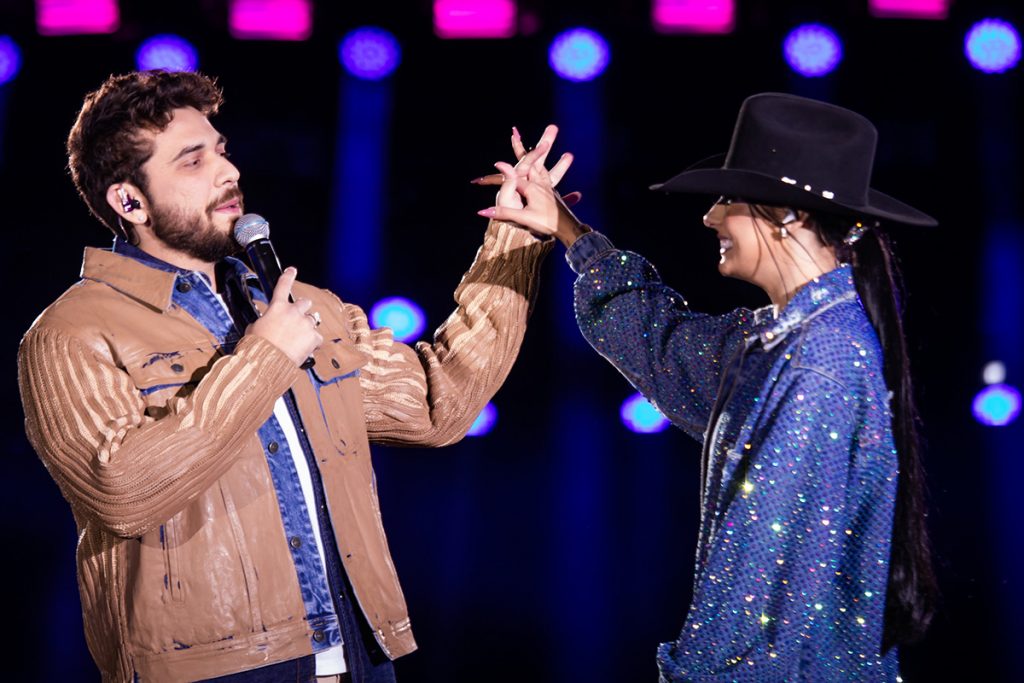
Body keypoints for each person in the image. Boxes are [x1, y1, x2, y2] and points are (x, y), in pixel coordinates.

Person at [17, 70, 569, 683]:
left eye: (222, 151)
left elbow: (441, 406)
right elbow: (121, 493)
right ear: (129, 201)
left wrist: (514, 240)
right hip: (213, 669)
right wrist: (265, 358)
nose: (229, 173)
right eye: (194, 161)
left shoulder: (300, 306)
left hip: (358, 655)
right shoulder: (72, 332)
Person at [479, 93, 939, 680]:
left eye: (728, 199)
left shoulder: (820, 361)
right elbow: (663, 346)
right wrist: (570, 231)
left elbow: (753, 581)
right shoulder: (784, 340)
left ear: (790, 214)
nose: (710, 216)